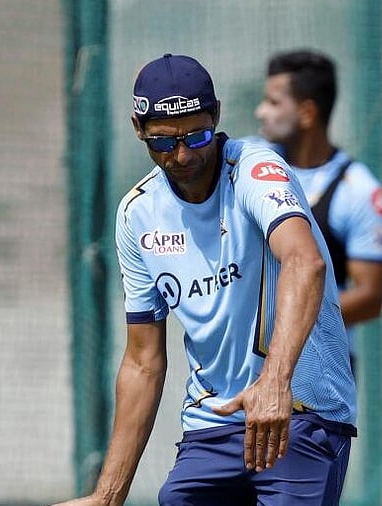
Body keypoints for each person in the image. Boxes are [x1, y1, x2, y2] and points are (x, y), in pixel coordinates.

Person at [56, 53, 357, 506]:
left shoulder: (257, 170)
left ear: (215, 117)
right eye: (163, 142)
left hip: (298, 413)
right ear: (139, 129)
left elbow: (304, 262)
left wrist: (276, 382)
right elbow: (143, 363)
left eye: (196, 136)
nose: (181, 155)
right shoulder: (137, 215)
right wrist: (107, 495)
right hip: (212, 426)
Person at [252, 49, 382, 376]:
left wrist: (285, 319)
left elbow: (370, 297)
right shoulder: (249, 164)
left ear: (307, 113)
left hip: (320, 374)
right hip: (247, 366)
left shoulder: (357, 190)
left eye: (273, 103)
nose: (261, 112)